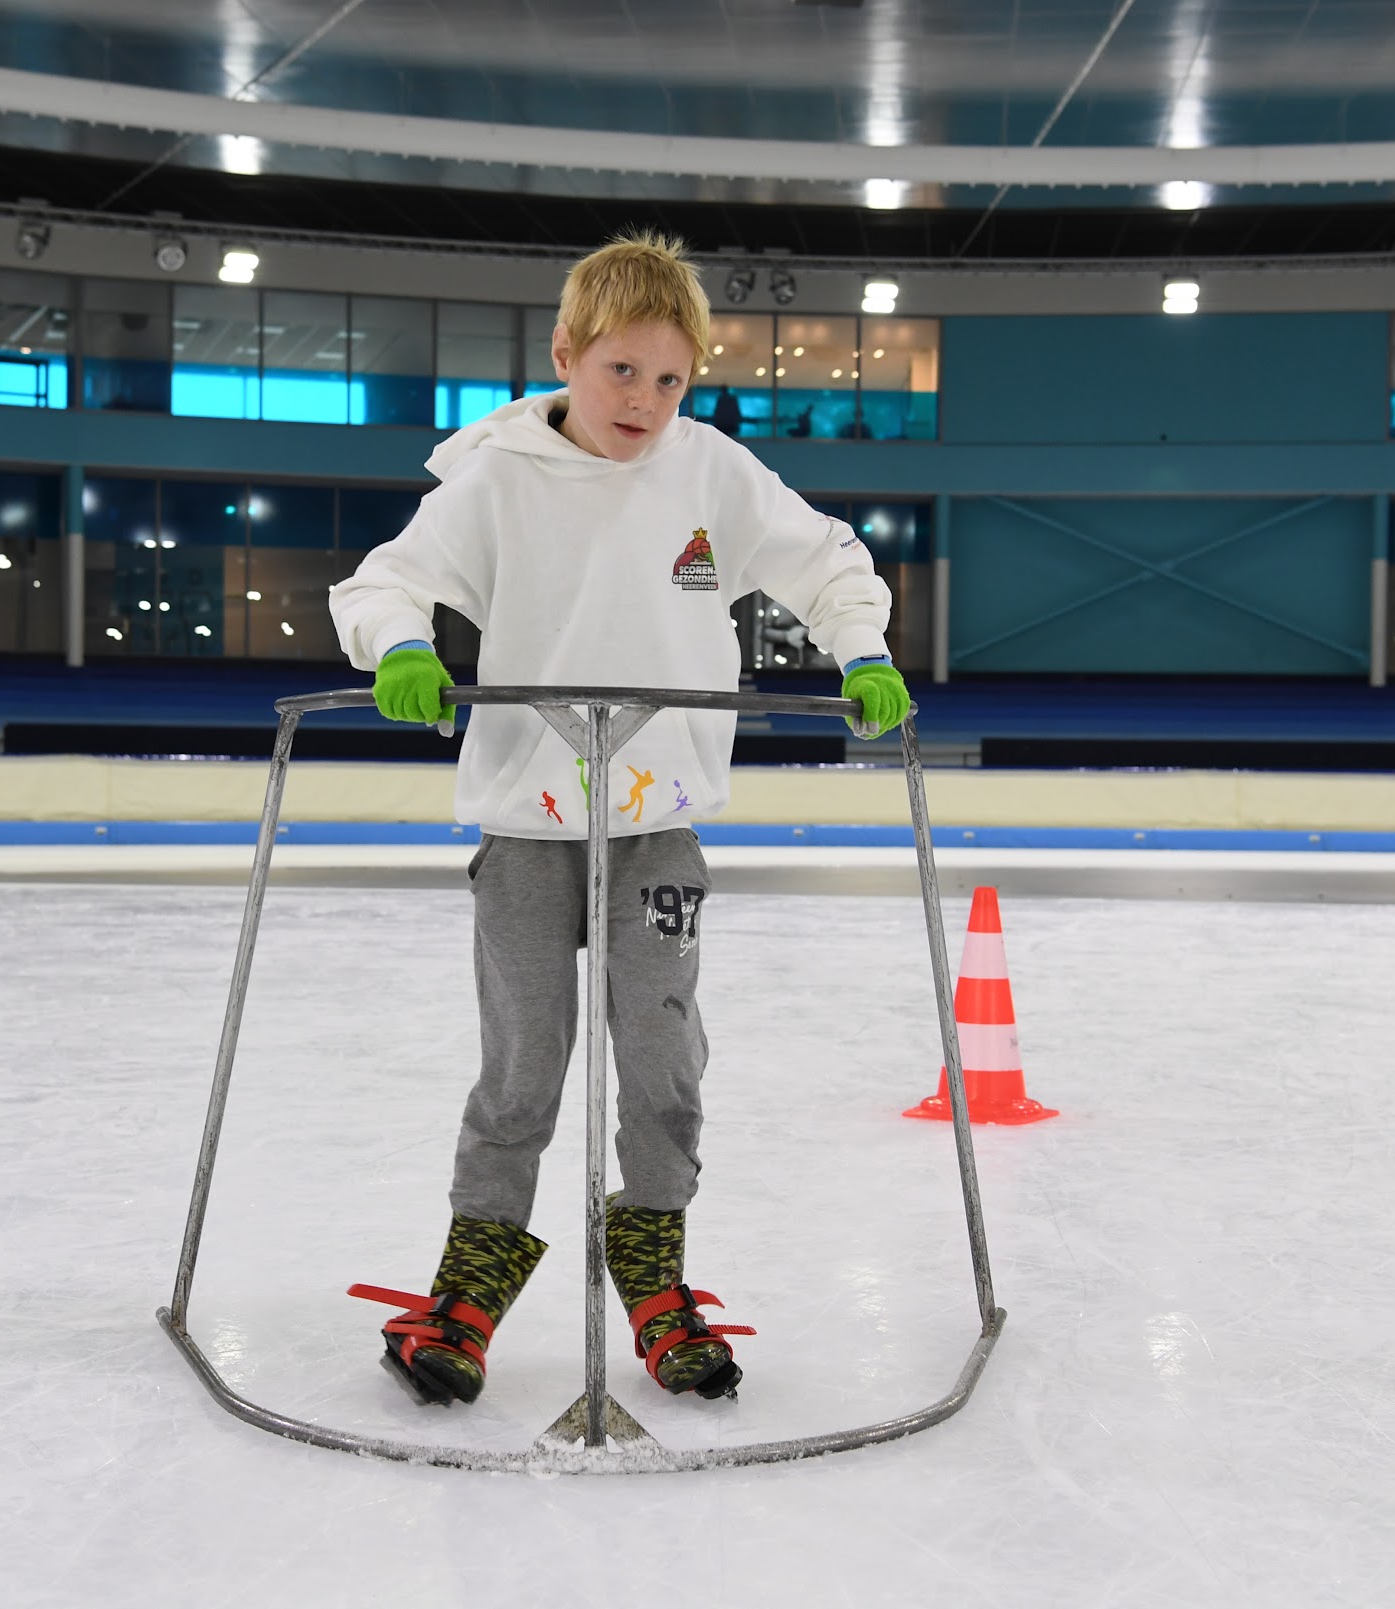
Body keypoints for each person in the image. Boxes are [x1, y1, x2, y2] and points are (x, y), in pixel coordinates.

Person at [329, 231, 907, 1408]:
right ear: (565, 356)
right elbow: (380, 582)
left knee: (660, 1052)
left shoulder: (709, 475)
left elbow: (829, 561)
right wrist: (397, 644)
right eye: (619, 373)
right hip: (526, 823)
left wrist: (862, 649)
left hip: (660, 816)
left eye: (669, 378)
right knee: (522, 1061)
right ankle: (469, 1285)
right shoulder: (496, 479)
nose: (643, 401)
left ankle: (652, 1266)